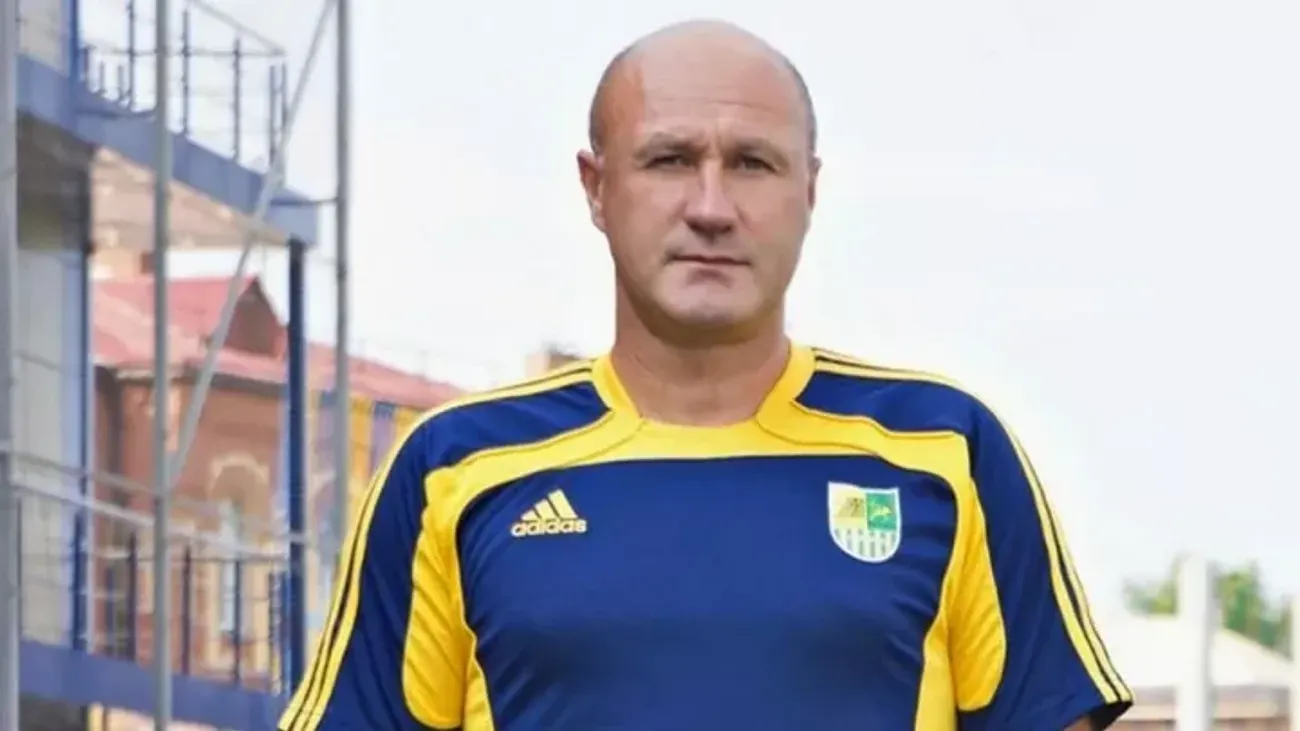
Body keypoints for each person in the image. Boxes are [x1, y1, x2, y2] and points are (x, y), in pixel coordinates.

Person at [278, 19, 1132, 731]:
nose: (713, 207)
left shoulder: (945, 449)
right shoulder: (455, 467)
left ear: (809, 191)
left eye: (753, 163)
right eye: (670, 159)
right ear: (596, 188)